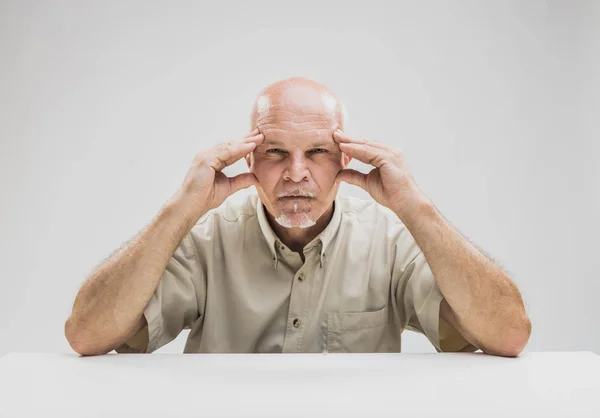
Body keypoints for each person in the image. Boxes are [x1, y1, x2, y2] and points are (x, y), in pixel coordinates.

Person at [65, 77, 531, 357]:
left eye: (316, 152)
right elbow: (87, 335)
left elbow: (508, 335)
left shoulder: (390, 240)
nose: (295, 173)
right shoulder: (208, 240)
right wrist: (178, 210)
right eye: (274, 152)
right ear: (248, 160)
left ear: (344, 157)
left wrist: (415, 205)